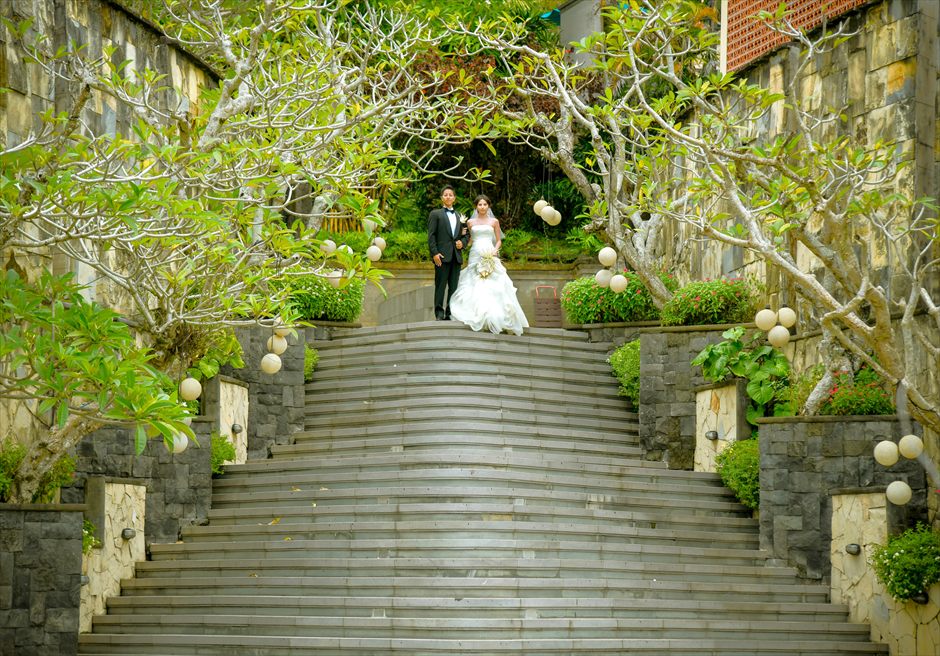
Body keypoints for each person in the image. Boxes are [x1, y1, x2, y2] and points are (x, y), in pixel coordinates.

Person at [447, 194, 529, 336]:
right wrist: (461, 242)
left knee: (495, 284)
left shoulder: (494, 221)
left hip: (490, 253)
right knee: (474, 282)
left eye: (485, 204)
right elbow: (470, 240)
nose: (482, 207)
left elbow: (498, 240)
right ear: (476, 206)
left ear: (489, 206)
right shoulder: (470, 222)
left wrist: (495, 250)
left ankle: (496, 316)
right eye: (480, 204)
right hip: (475, 254)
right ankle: (475, 313)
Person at [427, 185, 470, 320]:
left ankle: (450, 313)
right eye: (445, 195)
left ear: (454, 198)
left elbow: (466, 234)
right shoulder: (435, 214)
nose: (448, 197)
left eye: (450, 195)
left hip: (456, 257)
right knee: (440, 286)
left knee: (454, 288)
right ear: (441, 198)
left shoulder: (460, 216)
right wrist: (434, 253)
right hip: (441, 256)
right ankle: (439, 314)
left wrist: (462, 243)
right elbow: (431, 235)